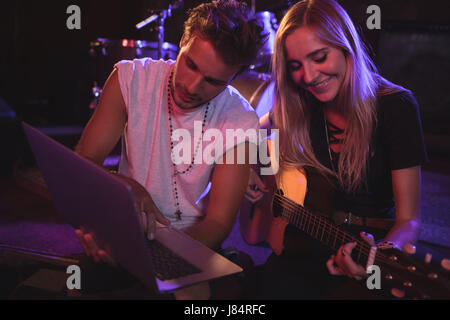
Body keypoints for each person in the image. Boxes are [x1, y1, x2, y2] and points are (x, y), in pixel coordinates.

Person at [74, 0, 266, 299]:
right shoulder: (130, 78)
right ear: (183, 41)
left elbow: (217, 222)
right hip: (126, 227)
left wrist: (154, 257)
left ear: (232, 78)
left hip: (192, 243)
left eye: (213, 81)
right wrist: (125, 188)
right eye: (190, 64)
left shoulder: (241, 119)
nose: (191, 86)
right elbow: (82, 163)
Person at [244, 0, 427, 299]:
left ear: (346, 48)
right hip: (300, 245)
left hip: (367, 250)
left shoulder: (396, 107)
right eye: (295, 66)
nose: (309, 75)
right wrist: (250, 171)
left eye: (319, 57)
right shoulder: (300, 103)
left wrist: (375, 262)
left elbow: (409, 220)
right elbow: (251, 132)